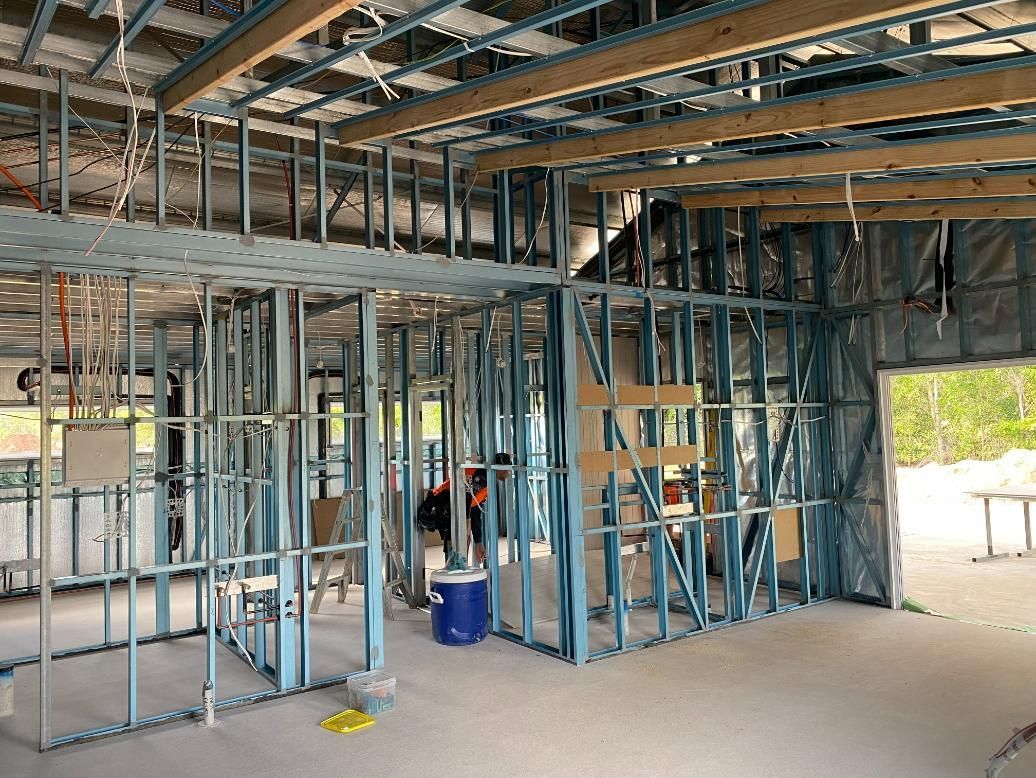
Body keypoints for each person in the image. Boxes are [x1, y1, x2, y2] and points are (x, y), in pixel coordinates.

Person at [415, 452, 512, 566]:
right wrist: (466, 525)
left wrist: (478, 542)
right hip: (434, 505)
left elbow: (474, 510)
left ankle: (455, 566)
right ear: (497, 468)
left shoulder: (487, 481)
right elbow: (466, 500)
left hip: (448, 504)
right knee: (462, 532)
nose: (508, 472)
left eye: (509, 468)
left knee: (464, 533)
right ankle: (453, 567)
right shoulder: (481, 477)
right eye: (505, 469)